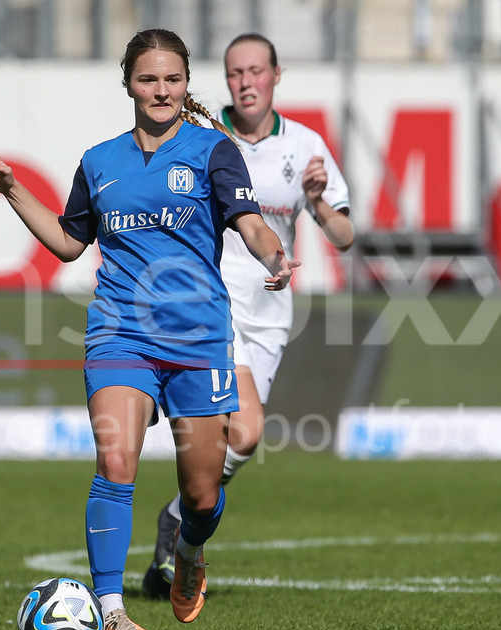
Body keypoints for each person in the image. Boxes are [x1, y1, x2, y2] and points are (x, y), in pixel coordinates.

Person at [0, 28, 299, 630]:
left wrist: (275, 253)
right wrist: (9, 188)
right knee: (116, 462)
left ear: (187, 84)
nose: (161, 90)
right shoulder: (100, 162)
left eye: (172, 78)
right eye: (148, 78)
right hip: (119, 334)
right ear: (128, 84)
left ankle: (190, 549)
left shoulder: (213, 151)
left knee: (201, 494)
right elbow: (68, 243)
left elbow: (250, 222)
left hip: (199, 341)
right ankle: (110, 612)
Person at [141, 32, 355, 599]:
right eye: (235, 73)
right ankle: (184, 535)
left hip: (271, 311)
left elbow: (345, 235)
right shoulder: (206, 139)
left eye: (256, 71)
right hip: (213, 306)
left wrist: (318, 204)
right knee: (251, 429)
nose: (245, 82)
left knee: (235, 443)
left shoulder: (303, 145)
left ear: (276, 76)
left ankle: (177, 525)